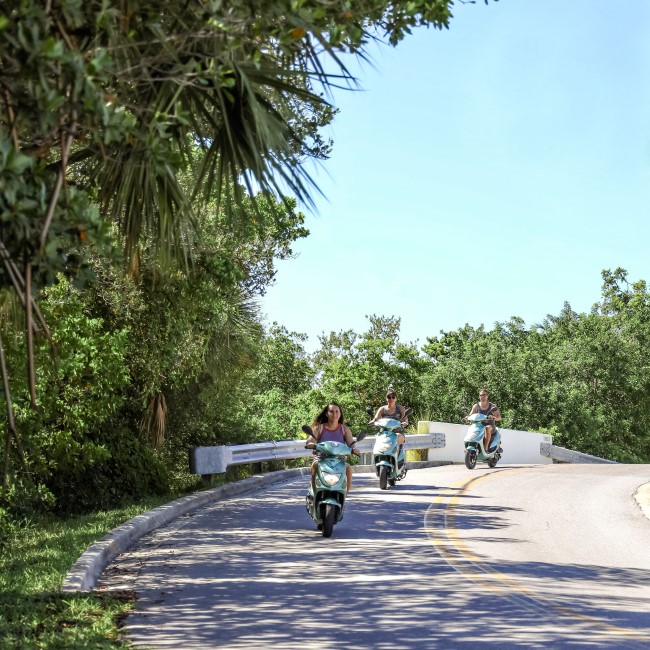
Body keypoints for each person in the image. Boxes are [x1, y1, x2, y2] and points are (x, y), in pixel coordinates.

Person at [305, 402, 360, 495]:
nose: (334, 414)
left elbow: (351, 443)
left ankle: (344, 494)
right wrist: (310, 443)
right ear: (327, 413)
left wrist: (354, 448)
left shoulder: (345, 429)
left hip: (339, 461)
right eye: (331, 411)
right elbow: (310, 440)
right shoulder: (319, 428)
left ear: (340, 413)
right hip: (321, 459)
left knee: (348, 468)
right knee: (315, 466)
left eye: (337, 411)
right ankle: (314, 492)